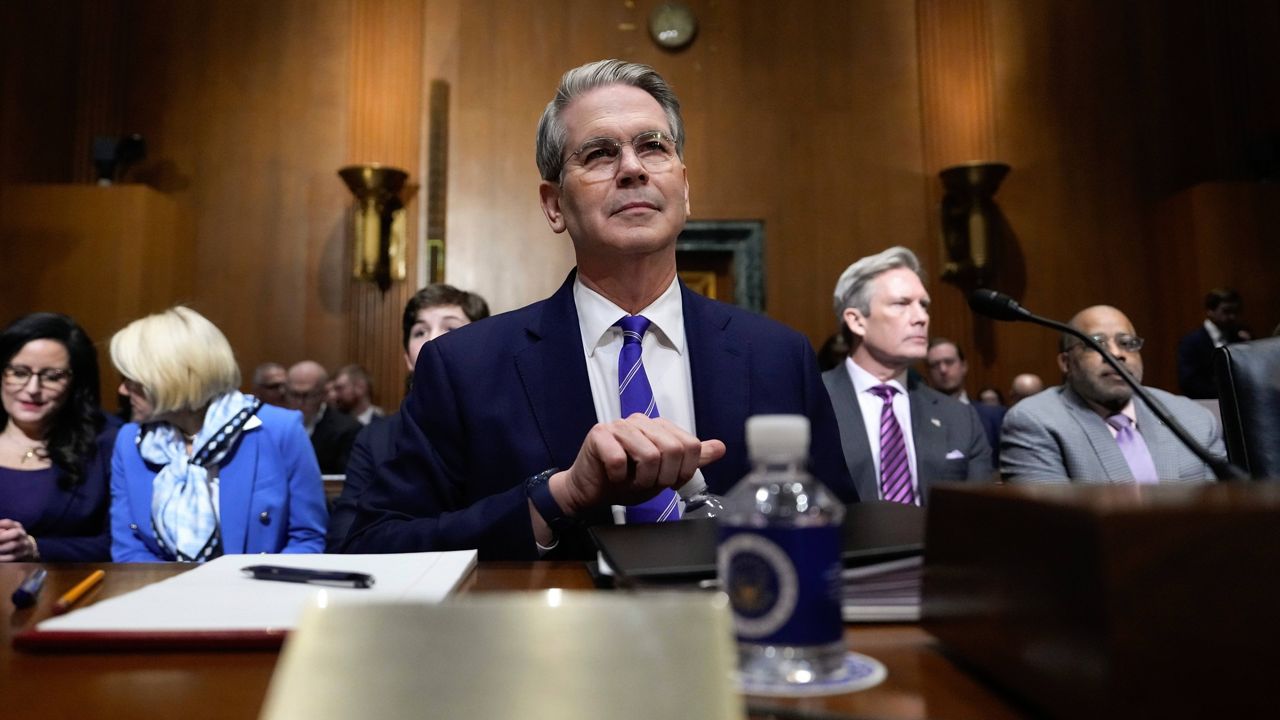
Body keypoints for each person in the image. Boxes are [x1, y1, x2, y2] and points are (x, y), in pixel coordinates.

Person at [342, 59, 855, 560]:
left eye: (654, 147)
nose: (632, 168)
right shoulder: (464, 368)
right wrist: (557, 498)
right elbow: (374, 546)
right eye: (599, 154)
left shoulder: (777, 355)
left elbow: (845, 538)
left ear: (685, 187)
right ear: (554, 205)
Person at [109, 307, 326, 561]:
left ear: (171, 375)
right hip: (160, 594)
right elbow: (129, 547)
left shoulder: (278, 430)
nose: (122, 390)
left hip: (262, 593)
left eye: (131, 378)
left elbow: (307, 538)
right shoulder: (130, 441)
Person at [326, 283, 491, 551]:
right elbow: (344, 540)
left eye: (451, 328)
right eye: (420, 331)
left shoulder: (503, 426)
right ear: (407, 358)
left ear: (483, 346)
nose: (433, 340)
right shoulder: (375, 438)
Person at [822, 247, 993, 506]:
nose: (921, 318)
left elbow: (980, 513)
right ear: (857, 321)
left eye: (923, 305)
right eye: (902, 304)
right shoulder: (810, 402)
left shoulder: (959, 417)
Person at [1001, 305, 1224, 483]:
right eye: (1095, 344)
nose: (1117, 354)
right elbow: (1051, 529)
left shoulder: (1193, 418)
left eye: (1127, 343)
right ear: (1066, 363)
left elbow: (1223, 513)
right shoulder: (1035, 421)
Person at [0, 313, 119, 561]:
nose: (33, 389)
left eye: (52, 377)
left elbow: (117, 544)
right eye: (19, 372)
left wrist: (35, 548)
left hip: (65, 591)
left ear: (76, 383)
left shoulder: (107, 441)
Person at [925, 337, 1005, 463]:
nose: (943, 370)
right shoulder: (919, 417)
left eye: (949, 362)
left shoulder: (993, 416)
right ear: (928, 373)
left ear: (964, 366)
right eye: (935, 365)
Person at [286, 360, 361, 474]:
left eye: (307, 395)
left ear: (324, 394)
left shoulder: (348, 429)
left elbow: (344, 478)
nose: (299, 402)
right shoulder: (277, 424)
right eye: (293, 394)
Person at [1177, 288, 1250, 399]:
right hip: (1206, 403)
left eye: (1235, 311)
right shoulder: (1191, 342)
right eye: (1226, 311)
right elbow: (1188, 382)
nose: (1232, 317)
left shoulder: (1240, 337)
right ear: (1210, 311)